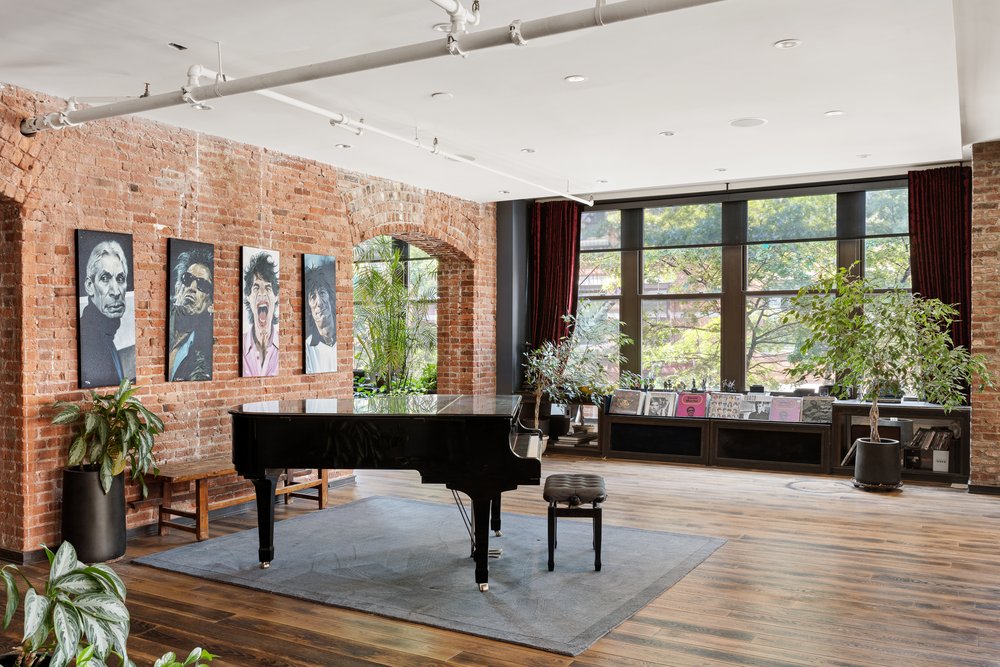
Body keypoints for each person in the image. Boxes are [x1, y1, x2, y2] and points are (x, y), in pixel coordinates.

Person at [79, 239, 136, 388]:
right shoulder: (90, 338)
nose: (116, 292)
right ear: (90, 286)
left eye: (120, 278)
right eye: (105, 279)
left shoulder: (105, 335)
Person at [168, 247, 214, 381]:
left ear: (210, 303)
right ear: (178, 289)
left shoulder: (204, 350)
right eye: (187, 279)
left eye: (202, 285)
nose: (192, 288)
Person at [242, 250, 279, 376]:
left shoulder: (285, 347)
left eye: (268, 288)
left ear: (276, 297)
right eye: (256, 287)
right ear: (248, 296)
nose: (262, 293)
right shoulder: (240, 346)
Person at [304, 264, 337, 373]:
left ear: (330, 298)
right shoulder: (308, 348)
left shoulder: (342, 343)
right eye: (313, 297)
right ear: (309, 309)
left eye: (322, 293)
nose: (319, 303)